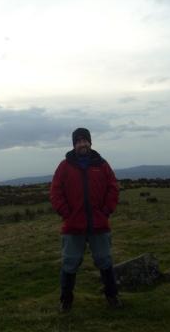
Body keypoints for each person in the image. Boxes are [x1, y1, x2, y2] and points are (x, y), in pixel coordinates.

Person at [50, 127, 122, 313]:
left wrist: (106, 211)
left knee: (105, 261)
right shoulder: (64, 166)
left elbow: (113, 188)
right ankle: (66, 301)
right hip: (73, 226)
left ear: (90, 142)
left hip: (99, 224)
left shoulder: (102, 164)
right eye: (79, 141)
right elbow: (56, 192)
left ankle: (112, 297)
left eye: (85, 140)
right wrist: (67, 213)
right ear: (74, 144)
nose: (83, 144)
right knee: (70, 263)